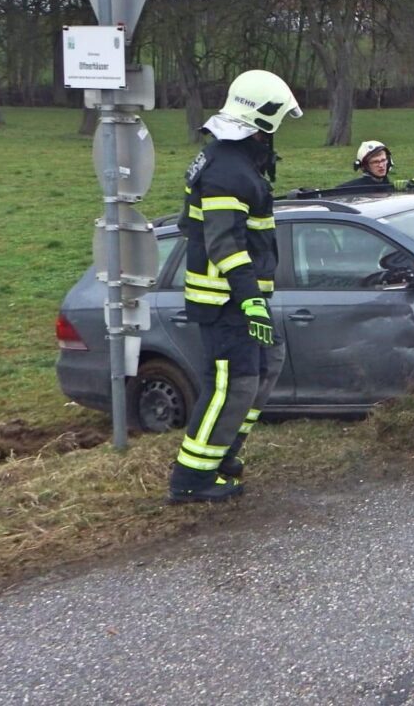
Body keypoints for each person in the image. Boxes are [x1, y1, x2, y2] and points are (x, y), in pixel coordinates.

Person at [169, 70, 302, 504]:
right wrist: (250, 302)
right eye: (277, 123)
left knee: (265, 368)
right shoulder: (227, 169)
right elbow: (225, 243)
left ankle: (223, 454)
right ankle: (192, 478)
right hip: (227, 302)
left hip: (243, 298)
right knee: (232, 384)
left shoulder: (233, 161)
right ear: (262, 121)